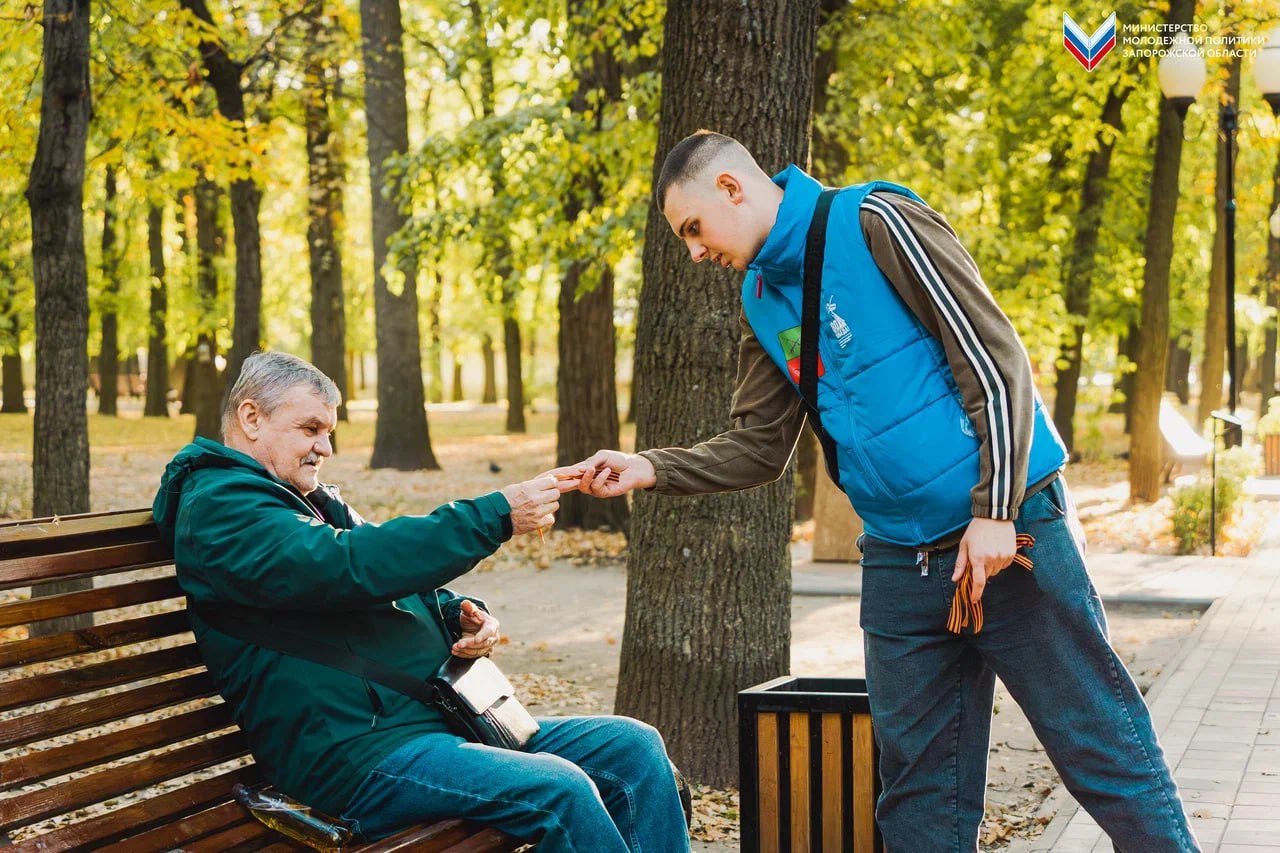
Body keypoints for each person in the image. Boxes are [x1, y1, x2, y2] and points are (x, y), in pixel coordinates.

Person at [561, 131, 1198, 852]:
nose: (696, 253)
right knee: (919, 797)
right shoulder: (762, 299)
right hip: (900, 561)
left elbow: (995, 358)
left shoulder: (875, 220)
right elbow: (761, 446)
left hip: (1010, 538)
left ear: (732, 188)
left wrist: (992, 510)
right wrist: (651, 467)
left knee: (1103, 753)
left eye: (694, 230)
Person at [151, 351, 690, 853]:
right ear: (251, 418)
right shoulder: (222, 509)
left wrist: (455, 611)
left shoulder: (302, 500)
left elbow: (386, 576)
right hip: (354, 755)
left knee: (632, 747)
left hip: (431, 724)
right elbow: (346, 565)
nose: (325, 448)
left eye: (329, 432)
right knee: (559, 788)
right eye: (310, 429)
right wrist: (496, 515)